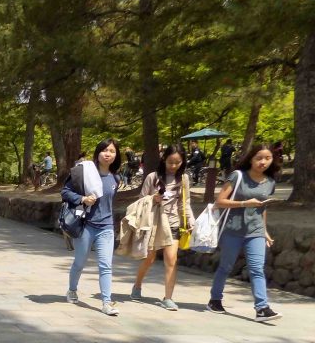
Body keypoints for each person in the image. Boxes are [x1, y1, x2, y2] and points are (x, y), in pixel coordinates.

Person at [208, 144, 282, 322]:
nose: (263, 162)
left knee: (257, 269)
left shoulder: (270, 182)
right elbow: (219, 201)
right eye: (259, 158)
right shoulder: (237, 176)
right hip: (232, 229)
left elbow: (262, 208)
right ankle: (215, 300)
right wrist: (244, 203)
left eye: (267, 158)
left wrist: (264, 231)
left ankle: (262, 308)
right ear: (251, 158)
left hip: (255, 230)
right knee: (226, 266)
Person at [62, 138, 122, 317]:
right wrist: (82, 199)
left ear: (116, 154)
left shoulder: (115, 177)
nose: (108, 154)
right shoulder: (85, 172)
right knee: (79, 262)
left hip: (106, 227)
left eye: (111, 151)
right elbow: (65, 191)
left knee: (106, 265)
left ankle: (106, 302)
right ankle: (72, 290)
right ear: (98, 153)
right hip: (86, 225)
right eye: (104, 150)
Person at [131, 144, 195, 310]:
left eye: (178, 162)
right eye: (170, 162)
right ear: (164, 159)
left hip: (173, 222)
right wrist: (154, 199)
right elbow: (141, 200)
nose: (174, 166)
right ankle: (137, 285)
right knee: (150, 258)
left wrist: (189, 220)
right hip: (154, 221)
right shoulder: (152, 177)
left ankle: (168, 297)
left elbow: (184, 202)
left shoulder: (184, 179)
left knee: (171, 259)